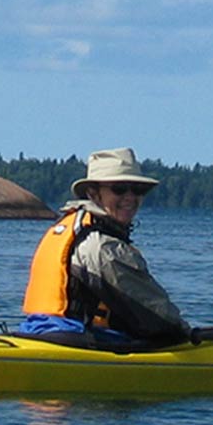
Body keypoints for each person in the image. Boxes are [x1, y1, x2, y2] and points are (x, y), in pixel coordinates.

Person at [20, 147, 190, 343]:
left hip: (38, 331)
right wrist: (185, 333)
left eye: (138, 190)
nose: (130, 197)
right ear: (93, 193)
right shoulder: (102, 246)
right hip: (72, 338)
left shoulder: (71, 225)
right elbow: (155, 312)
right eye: (119, 188)